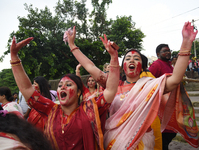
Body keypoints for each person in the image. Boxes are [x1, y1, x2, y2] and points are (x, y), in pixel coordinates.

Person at [67, 22, 199, 149]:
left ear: (142, 66)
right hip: (113, 142)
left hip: (143, 143)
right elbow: (90, 66)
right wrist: (72, 45)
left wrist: (186, 43)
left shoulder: (151, 86)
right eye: (128, 58)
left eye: (137, 59)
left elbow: (175, 79)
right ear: (122, 66)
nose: (132, 60)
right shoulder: (113, 85)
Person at [10, 33, 119, 150]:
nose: (63, 87)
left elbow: (111, 89)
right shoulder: (50, 110)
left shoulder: (91, 109)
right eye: (60, 85)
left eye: (68, 85)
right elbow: (27, 89)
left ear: (78, 92)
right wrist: (14, 57)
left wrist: (113, 58)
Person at [149, 44, 178, 150]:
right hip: (161, 106)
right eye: (165, 51)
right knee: (164, 134)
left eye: (169, 50)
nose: (168, 52)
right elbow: (148, 82)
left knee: (172, 132)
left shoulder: (170, 65)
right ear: (158, 54)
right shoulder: (156, 65)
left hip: (171, 105)